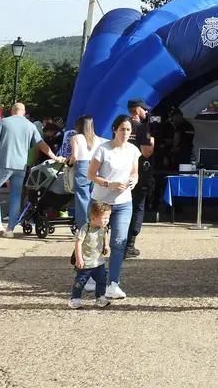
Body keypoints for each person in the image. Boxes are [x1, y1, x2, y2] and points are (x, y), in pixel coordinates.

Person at [0, 103, 60, 238]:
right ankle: (10, 230)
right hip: (21, 166)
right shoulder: (30, 125)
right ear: (24, 113)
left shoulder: (4, 122)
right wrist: (55, 157)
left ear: (12, 111)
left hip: (4, 162)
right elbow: (41, 144)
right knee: (15, 196)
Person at [86, 114, 140, 299]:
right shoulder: (103, 149)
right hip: (101, 201)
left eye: (128, 130)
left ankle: (113, 283)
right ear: (114, 130)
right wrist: (109, 184)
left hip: (124, 202)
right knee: (96, 242)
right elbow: (91, 174)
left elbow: (135, 172)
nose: (125, 133)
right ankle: (91, 277)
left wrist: (133, 180)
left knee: (119, 242)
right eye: (122, 129)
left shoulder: (133, 150)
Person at [69, 201, 112, 309]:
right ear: (93, 218)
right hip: (86, 262)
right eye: (104, 218)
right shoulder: (86, 228)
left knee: (102, 280)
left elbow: (105, 235)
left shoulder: (103, 227)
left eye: (108, 217)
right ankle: (75, 298)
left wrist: (106, 245)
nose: (106, 220)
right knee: (80, 282)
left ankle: (100, 297)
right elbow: (78, 243)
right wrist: (79, 259)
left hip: (98, 261)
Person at [125, 99, 155, 259]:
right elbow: (146, 152)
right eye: (144, 109)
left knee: (121, 207)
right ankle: (129, 245)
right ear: (137, 110)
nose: (146, 112)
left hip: (121, 173)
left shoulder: (120, 125)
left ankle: (117, 242)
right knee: (137, 208)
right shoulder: (141, 128)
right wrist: (152, 140)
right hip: (138, 174)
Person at [68, 115, 102, 231]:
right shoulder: (97, 139)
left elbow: (74, 156)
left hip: (82, 167)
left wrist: (68, 162)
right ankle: (95, 225)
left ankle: (84, 227)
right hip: (95, 167)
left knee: (82, 198)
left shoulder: (75, 138)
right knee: (94, 198)